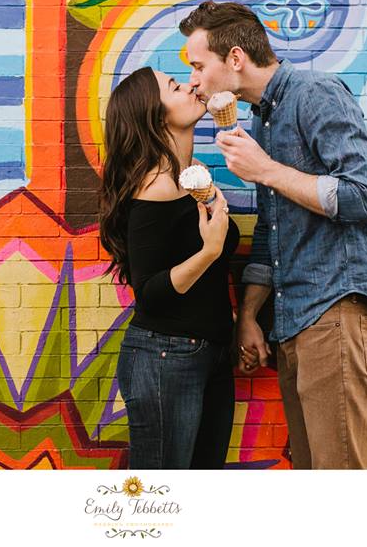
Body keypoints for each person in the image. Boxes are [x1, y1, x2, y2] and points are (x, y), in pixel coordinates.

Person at [180, 0, 367, 469]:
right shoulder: (263, 118)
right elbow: (272, 228)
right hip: (296, 319)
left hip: (337, 306)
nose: (194, 79)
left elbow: (363, 199)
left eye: (199, 66)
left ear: (235, 59)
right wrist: (251, 315)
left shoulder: (315, 94)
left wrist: (267, 170)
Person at [99, 65, 239, 469]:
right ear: (155, 115)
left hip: (207, 352)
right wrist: (208, 253)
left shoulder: (188, 180)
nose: (192, 84)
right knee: (160, 499)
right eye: (175, 86)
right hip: (166, 356)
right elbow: (151, 293)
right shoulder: (155, 186)